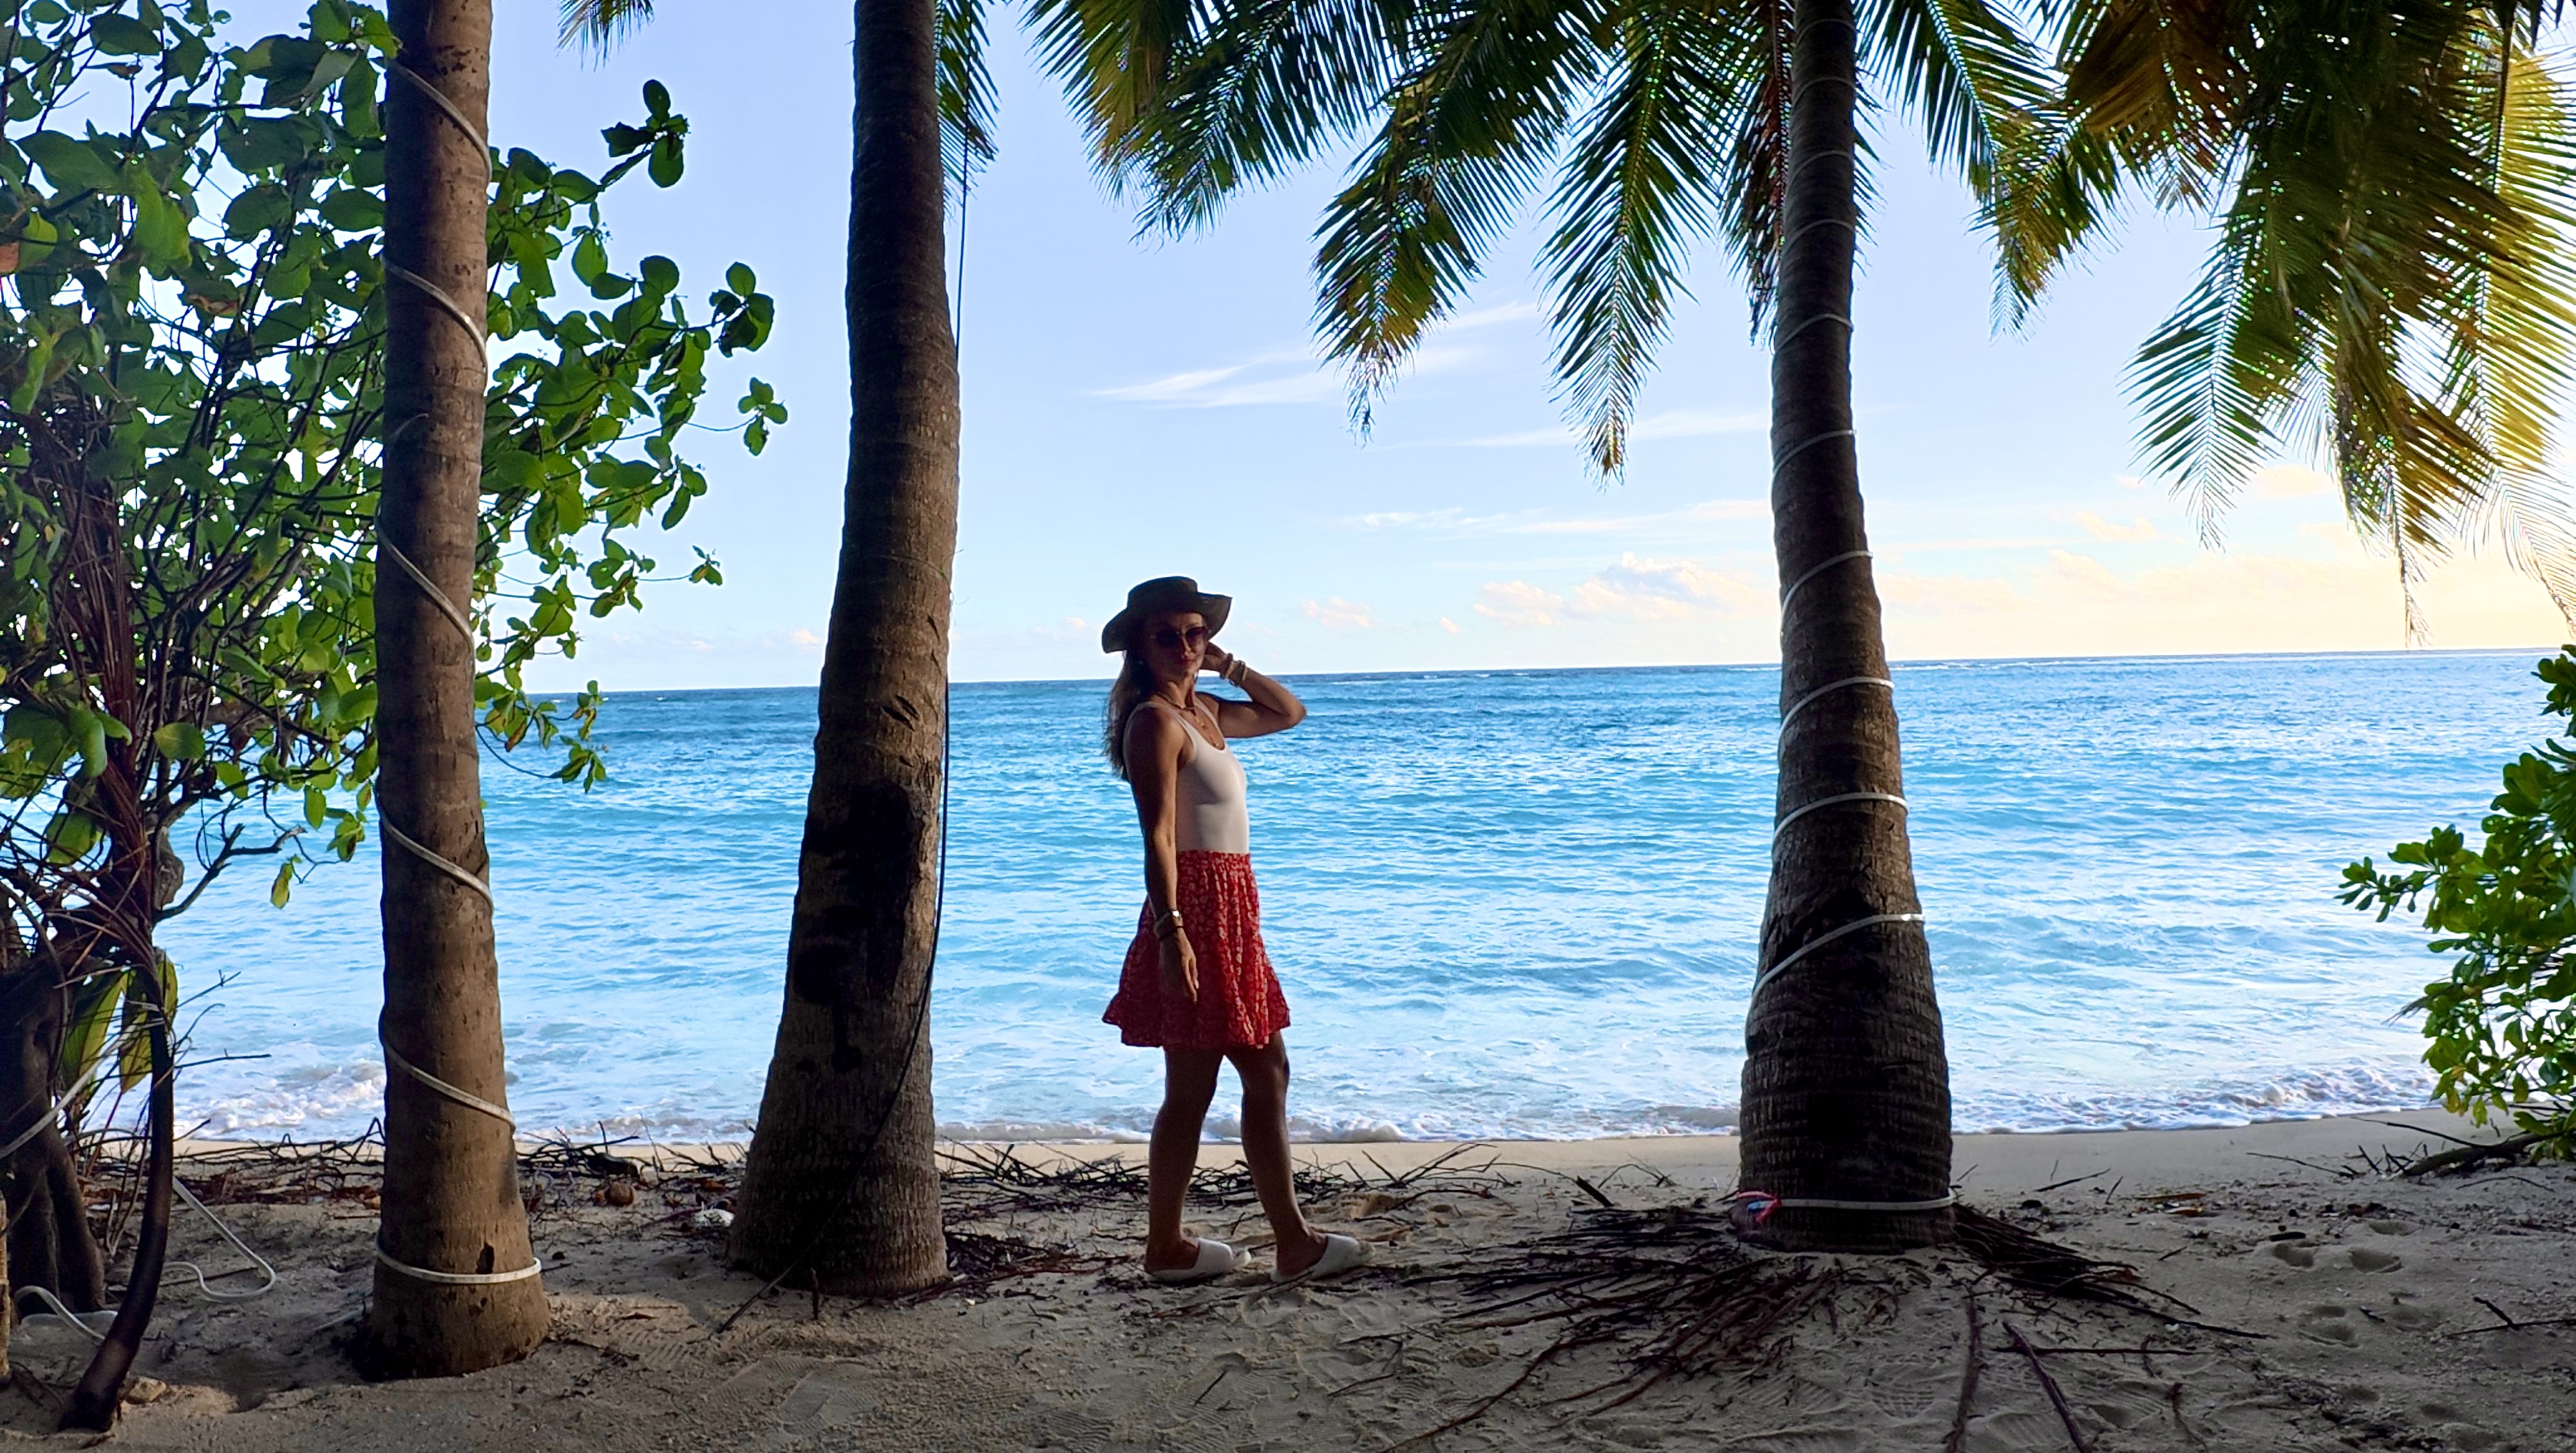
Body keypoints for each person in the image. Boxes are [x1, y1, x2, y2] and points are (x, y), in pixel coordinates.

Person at [1098, 576, 1368, 1286]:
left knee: (1217, 1080)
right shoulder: (1153, 723)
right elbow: (1156, 837)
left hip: (1233, 908)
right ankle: (1284, 1243)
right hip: (1198, 909)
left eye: (1194, 633)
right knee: (1245, 1073)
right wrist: (1171, 930)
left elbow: (1290, 713)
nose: (1185, 646)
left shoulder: (1207, 712)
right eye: (1168, 636)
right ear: (1139, 649)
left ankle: (1179, 1247)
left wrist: (1228, 665)